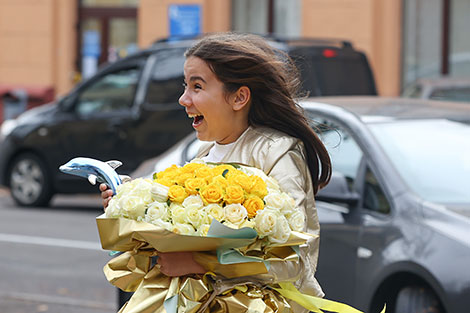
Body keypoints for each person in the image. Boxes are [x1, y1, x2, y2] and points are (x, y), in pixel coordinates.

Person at [100, 32, 331, 312]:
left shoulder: (277, 152)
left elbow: (295, 260)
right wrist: (130, 214)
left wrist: (199, 261)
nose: (184, 99)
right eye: (185, 86)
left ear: (239, 97)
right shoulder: (203, 155)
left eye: (197, 87)